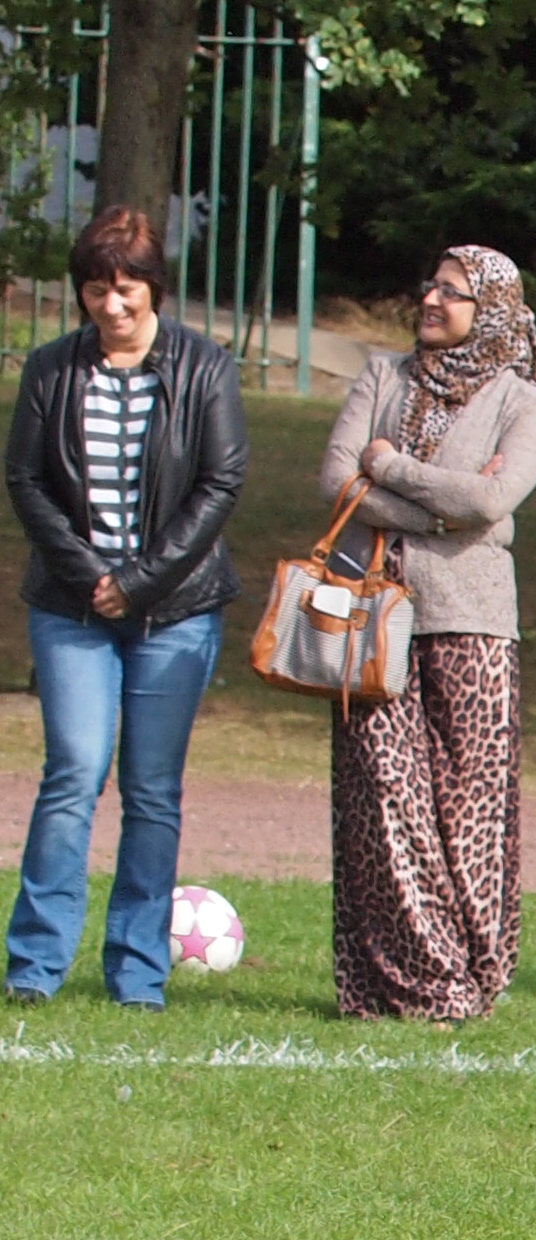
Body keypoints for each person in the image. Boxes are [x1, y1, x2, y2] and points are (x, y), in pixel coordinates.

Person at [3, 206, 246, 1010]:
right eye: (96, 290)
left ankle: (138, 972)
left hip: (175, 609)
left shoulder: (205, 366)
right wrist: (89, 575)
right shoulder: (50, 369)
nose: (112, 306)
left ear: (154, 289)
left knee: (151, 789)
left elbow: (220, 484)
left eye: (127, 288)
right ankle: (35, 966)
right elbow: (27, 482)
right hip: (70, 608)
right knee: (73, 772)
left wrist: (140, 579)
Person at [320, 246, 536, 1023]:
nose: (431, 299)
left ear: (489, 309)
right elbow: (334, 484)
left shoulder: (527, 404)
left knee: (469, 808)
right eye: (428, 285)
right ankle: (421, 985)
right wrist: (443, 508)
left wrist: (388, 467)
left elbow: (495, 497)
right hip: (370, 611)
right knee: (382, 798)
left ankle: (475, 974)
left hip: (472, 619)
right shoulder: (380, 377)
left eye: (451, 293)